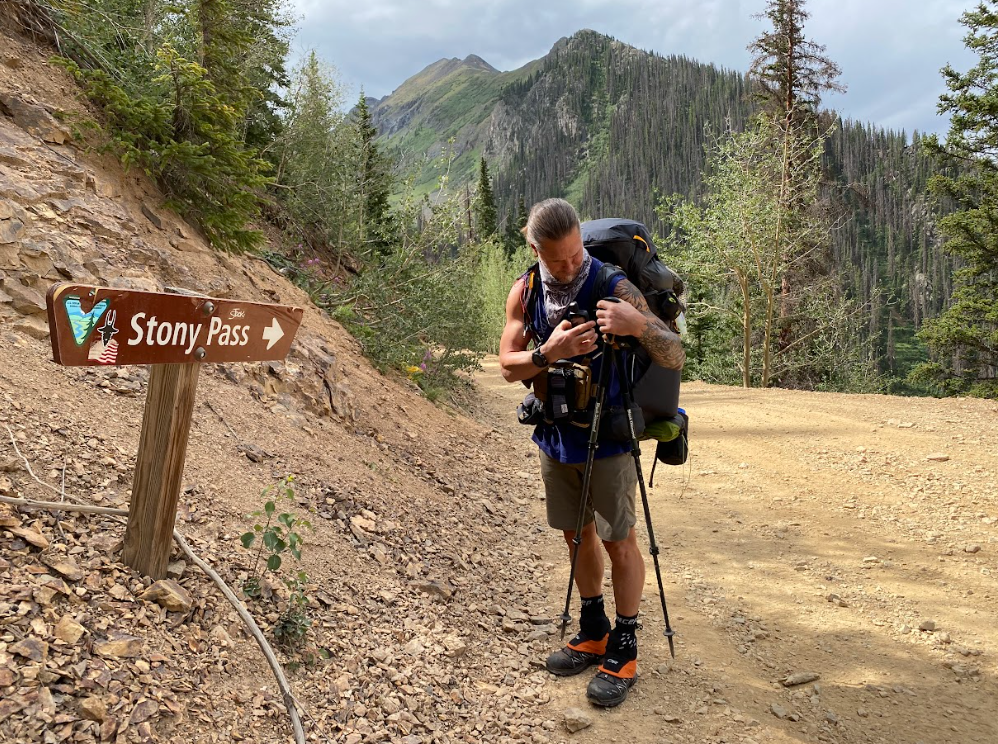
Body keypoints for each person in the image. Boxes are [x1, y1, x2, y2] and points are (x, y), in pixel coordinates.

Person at [499, 198, 685, 707]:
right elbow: (509, 366)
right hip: (556, 435)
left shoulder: (611, 284)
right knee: (575, 537)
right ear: (534, 248)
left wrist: (637, 324)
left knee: (619, 540)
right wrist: (549, 353)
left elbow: (674, 351)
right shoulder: (526, 289)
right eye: (558, 259)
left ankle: (624, 646)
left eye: (576, 253)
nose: (570, 265)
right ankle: (593, 628)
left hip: (608, 436)